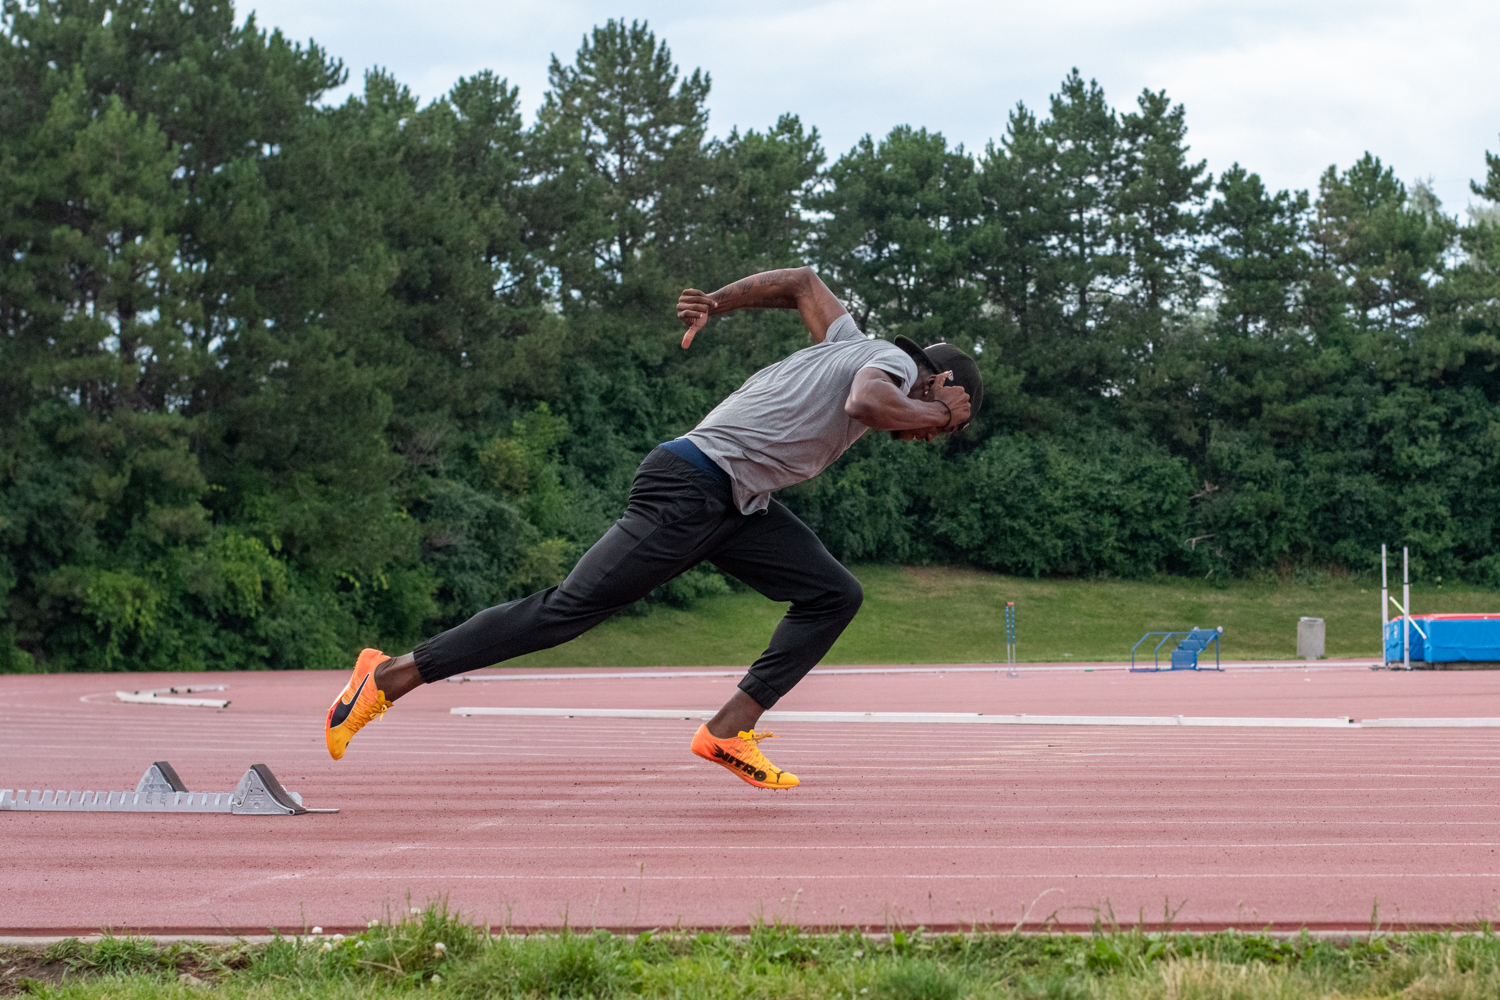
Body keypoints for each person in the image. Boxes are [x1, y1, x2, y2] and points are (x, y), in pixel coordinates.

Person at [324, 267, 983, 789]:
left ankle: (729, 729)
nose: (925, 436)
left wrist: (718, 303)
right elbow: (869, 402)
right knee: (566, 612)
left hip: (737, 503)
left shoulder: (847, 341)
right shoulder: (894, 367)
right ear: (941, 379)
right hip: (690, 487)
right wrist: (937, 415)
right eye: (944, 418)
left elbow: (802, 283)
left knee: (833, 593)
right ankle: (386, 679)